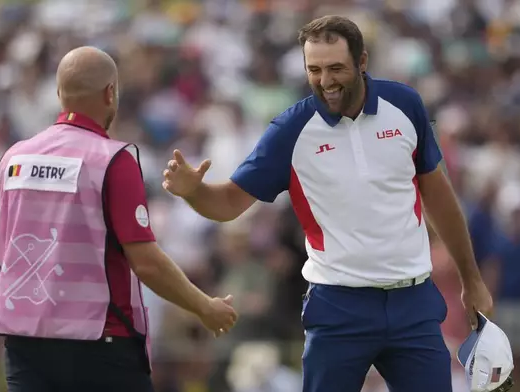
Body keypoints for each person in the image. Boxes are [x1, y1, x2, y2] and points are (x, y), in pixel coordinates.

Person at [162, 16, 493, 392]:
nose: (325, 81)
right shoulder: (291, 129)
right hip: (338, 306)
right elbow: (227, 204)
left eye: (336, 68)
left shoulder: (405, 105)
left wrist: (472, 279)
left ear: (362, 62)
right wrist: (193, 190)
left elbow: (437, 194)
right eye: (314, 69)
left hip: (412, 302)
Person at [0, 46, 238, 392]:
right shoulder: (112, 160)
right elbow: (146, 263)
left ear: (60, 94)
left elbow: (7, 250)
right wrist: (204, 306)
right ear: (110, 93)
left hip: (24, 343)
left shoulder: (12, 159)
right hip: (100, 343)